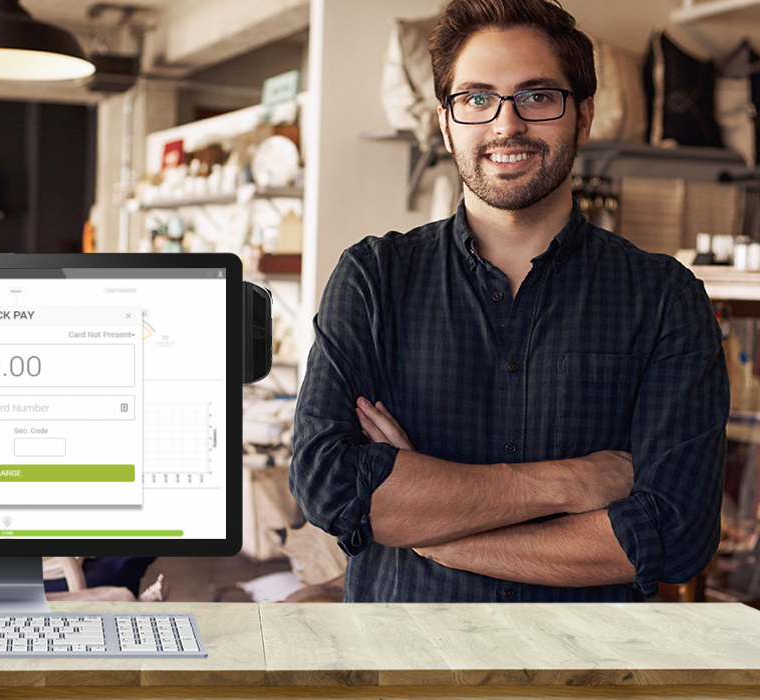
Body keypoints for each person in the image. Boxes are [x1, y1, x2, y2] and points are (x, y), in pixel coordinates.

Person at [290, 0, 729, 603]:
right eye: (476, 98)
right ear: (446, 123)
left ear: (584, 117)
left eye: (538, 96)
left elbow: (673, 536)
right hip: (402, 682)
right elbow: (331, 488)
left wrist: (430, 531)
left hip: (583, 688)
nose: (506, 125)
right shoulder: (373, 279)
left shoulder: (663, 299)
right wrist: (572, 483)